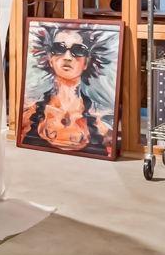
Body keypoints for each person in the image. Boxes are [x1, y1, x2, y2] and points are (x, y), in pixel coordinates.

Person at [18, 23, 116, 158]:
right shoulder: (30, 115)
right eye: (59, 48)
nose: (67, 57)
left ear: (86, 62)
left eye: (79, 50)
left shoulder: (100, 123)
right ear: (50, 59)